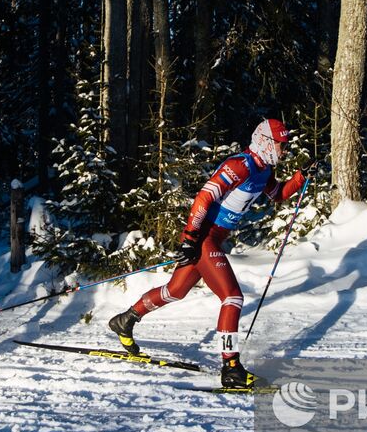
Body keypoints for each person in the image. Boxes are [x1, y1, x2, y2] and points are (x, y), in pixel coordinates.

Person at [108, 118, 306, 388]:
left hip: (214, 238)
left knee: (175, 290)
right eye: (281, 145)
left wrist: (300, 177)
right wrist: (190, 237)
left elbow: (278, 194)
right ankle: (231, 367)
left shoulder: (264, 171)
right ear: (266, 143)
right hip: (204, 237)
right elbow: (204, 197)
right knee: (233, 297)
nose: (284, 151)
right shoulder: (239, 166)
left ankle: (125, 319)